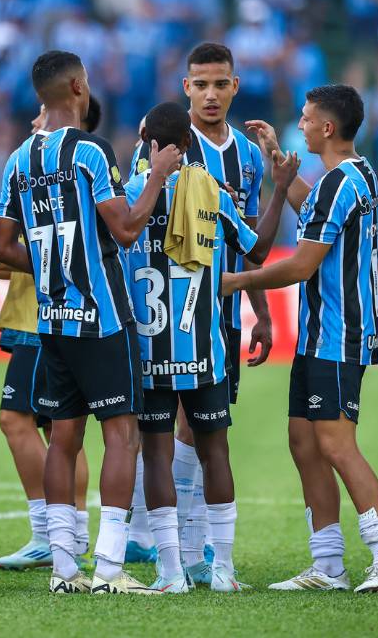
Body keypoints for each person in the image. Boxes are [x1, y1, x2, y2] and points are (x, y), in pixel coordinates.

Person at [0, 50, 180, 595]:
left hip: (51, 318)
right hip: (102, 318)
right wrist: (158, 178)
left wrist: (54, 264)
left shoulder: (18, 158)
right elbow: (124, 229)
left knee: (63, 439)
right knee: (122, 436)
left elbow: (5, 246)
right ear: (78, 86)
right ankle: (109, 567)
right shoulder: (92, 151)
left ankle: (63, 567)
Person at [235, 86, 378, 594]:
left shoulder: (342, 182)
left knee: (335, 443)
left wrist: (232, 282)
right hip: (319, 335)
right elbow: (309, 208)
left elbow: (301, 264)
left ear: (327, 128)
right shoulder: (345, 178)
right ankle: (328, 565)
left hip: (339, 334)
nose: (301, 125)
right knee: (304, 443)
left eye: (307, 118)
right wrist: (275, 160)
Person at [126, 101, 286, 593]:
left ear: (145, 141)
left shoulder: (128, 194)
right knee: (216, 454)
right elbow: (256, 251)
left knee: (155, 456)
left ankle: (171, 572)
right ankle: (223, 571)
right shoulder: (211, 191)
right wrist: (279, 191)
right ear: (192, 143)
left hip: (150, 356)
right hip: (205, 351)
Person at [0, 103, 94, 571]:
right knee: (61, 426)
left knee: (16, 419)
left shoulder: (52, 174)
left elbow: (27, 243)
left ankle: (47, 533)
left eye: (41, 115)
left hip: (39, 318)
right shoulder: (70, 174)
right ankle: (75, 529)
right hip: (48, 313)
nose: (33, 125)